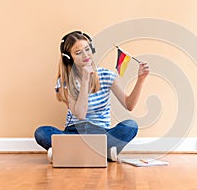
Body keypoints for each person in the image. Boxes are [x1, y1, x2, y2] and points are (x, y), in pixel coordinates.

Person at [34, 31, 149, 162]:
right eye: (78, 53)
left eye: (87, 49)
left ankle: (69, 152)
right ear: (69, 58)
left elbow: (129, 105)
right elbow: (80, 115)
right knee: (41, 132)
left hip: (101, 134)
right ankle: (103, 152)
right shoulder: (65, 82)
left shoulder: (106, 76)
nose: (86, 55)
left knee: (130, 126)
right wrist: (85, 81)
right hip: (74, 133)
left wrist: (141, 79)